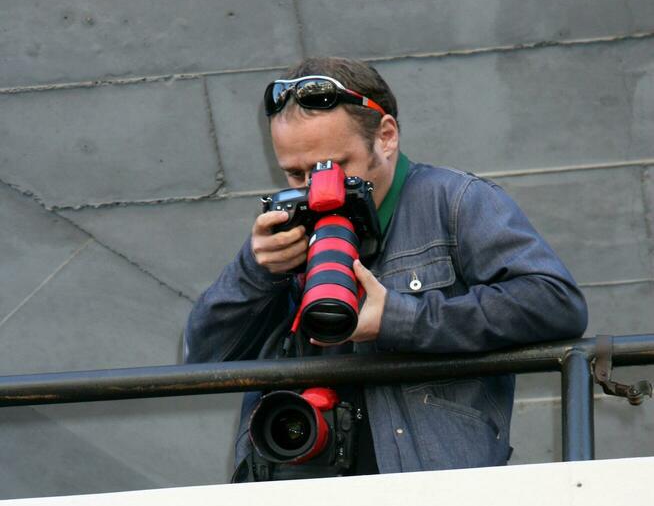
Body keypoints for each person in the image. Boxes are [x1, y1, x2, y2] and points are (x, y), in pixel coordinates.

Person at [184, 57, 588, 480]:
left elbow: (555, 303)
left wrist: (400, 318)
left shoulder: (456, 202)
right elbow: (204, 360)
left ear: (387, 136)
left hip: (430, 498)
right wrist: (256, 270)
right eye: (296, 174)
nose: (317, 191)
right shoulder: (285, 233)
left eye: (334, 167)